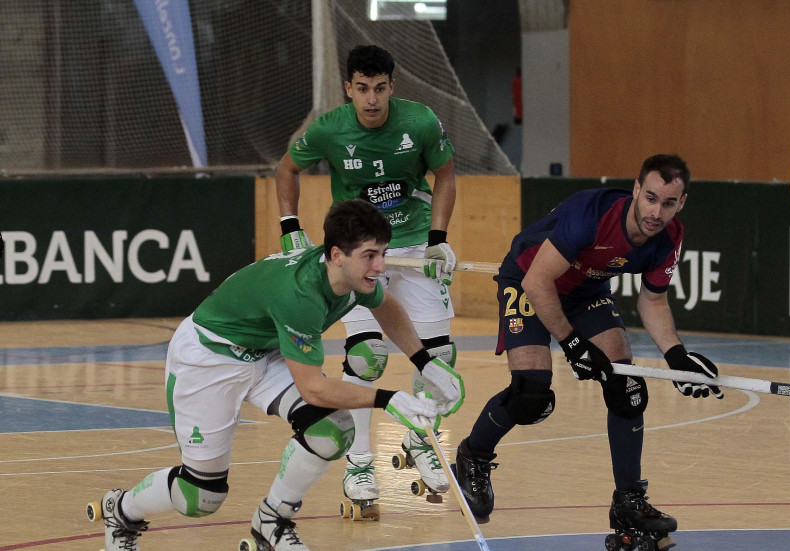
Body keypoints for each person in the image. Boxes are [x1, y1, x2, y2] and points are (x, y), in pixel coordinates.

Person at [87, 199, 464, 551]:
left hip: (264, 352)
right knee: (200, 497)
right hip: (209, 359)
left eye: (382, 253)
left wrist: (425, 363)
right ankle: (120, 511)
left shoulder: (350, 277)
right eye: (369, 256)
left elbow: (389, 308)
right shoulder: (301, 295)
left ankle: (272, 521)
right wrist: (390, 399)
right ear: (336, 255)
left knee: (332, 431)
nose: (380, 266)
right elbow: (314, 389)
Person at [451, 154, 723, 551]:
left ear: (681, 203)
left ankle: (628, 500)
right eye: (650, 198)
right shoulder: (591, 215)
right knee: (531, 391)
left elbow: (653, 301)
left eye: (668, 203)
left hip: (586, 291)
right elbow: (538, 281)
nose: (655, 212)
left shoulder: (669, 236)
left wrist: (677, 356)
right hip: (529, 278)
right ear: (636, 190)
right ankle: (473, 454)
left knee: (626, 387)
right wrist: (573, 344)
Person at [274, 44, 459, 505]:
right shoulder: (329, 129)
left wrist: (439, 237)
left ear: (392, 87)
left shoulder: (419, 122)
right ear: (348, 89)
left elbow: (446, 176)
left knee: (440, 357)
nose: (372, 99)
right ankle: (358, 462)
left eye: (380, 89)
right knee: (366, 358)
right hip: (358, 250)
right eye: (362, 89)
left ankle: (422, 440)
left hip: (414, 244)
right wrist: (290, 228)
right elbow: (287, 168)